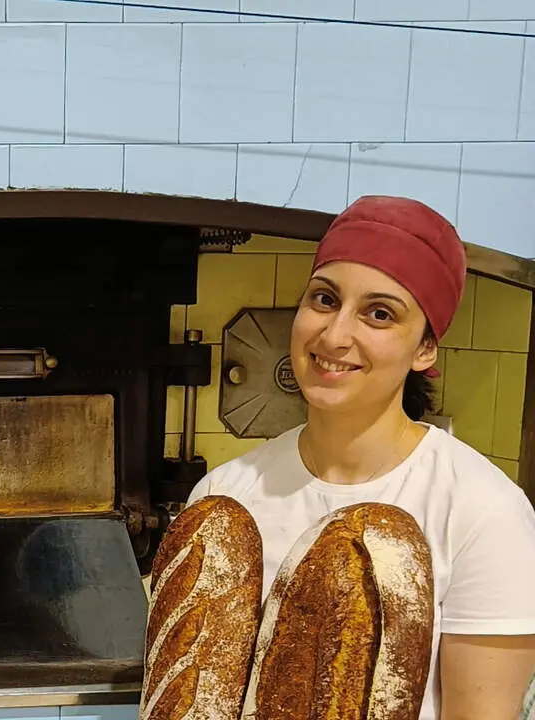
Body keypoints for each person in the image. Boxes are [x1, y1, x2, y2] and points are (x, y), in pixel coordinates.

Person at [187, 195, 535, 719]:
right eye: (324, 300)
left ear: (424, 350)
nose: (335, 335)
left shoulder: (482, 510)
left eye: (379, 314)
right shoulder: (224, 497)